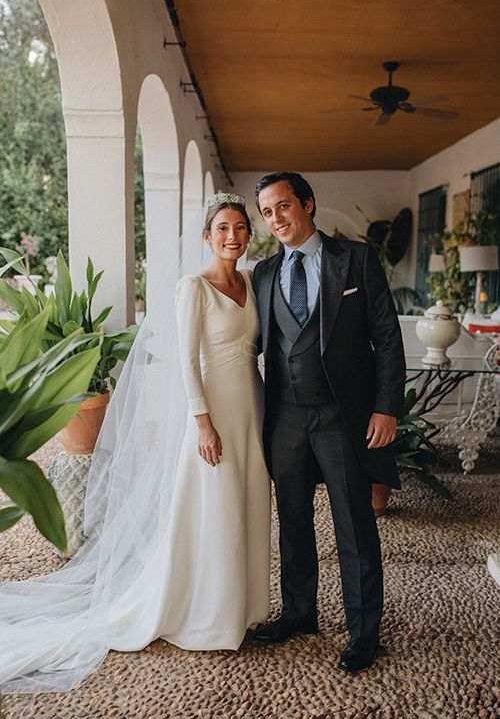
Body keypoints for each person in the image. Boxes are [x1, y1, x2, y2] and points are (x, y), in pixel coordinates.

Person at [0, 193, 270, 692]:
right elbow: (186, 361)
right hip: (213, 413)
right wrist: (202, 423)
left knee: (248, 502)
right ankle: (208, 615)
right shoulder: (194, 286)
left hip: (251, 407)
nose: (233, 236)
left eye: (240, 228)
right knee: (214, 506)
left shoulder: (251, 283)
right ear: (207, 237)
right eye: (223, 229)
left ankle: (246, 607)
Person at [251, 172, 406, 674]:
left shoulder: (356, 259)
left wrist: (386, 408)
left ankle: (364, 633)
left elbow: (386, 338)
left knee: (354, 526)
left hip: (343, 415)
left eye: (283, 206)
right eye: (267, 212)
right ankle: (299, 613)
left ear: (308, 204)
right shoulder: (263, 274)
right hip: (286, 418)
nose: (276, 218)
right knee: (292, 523)